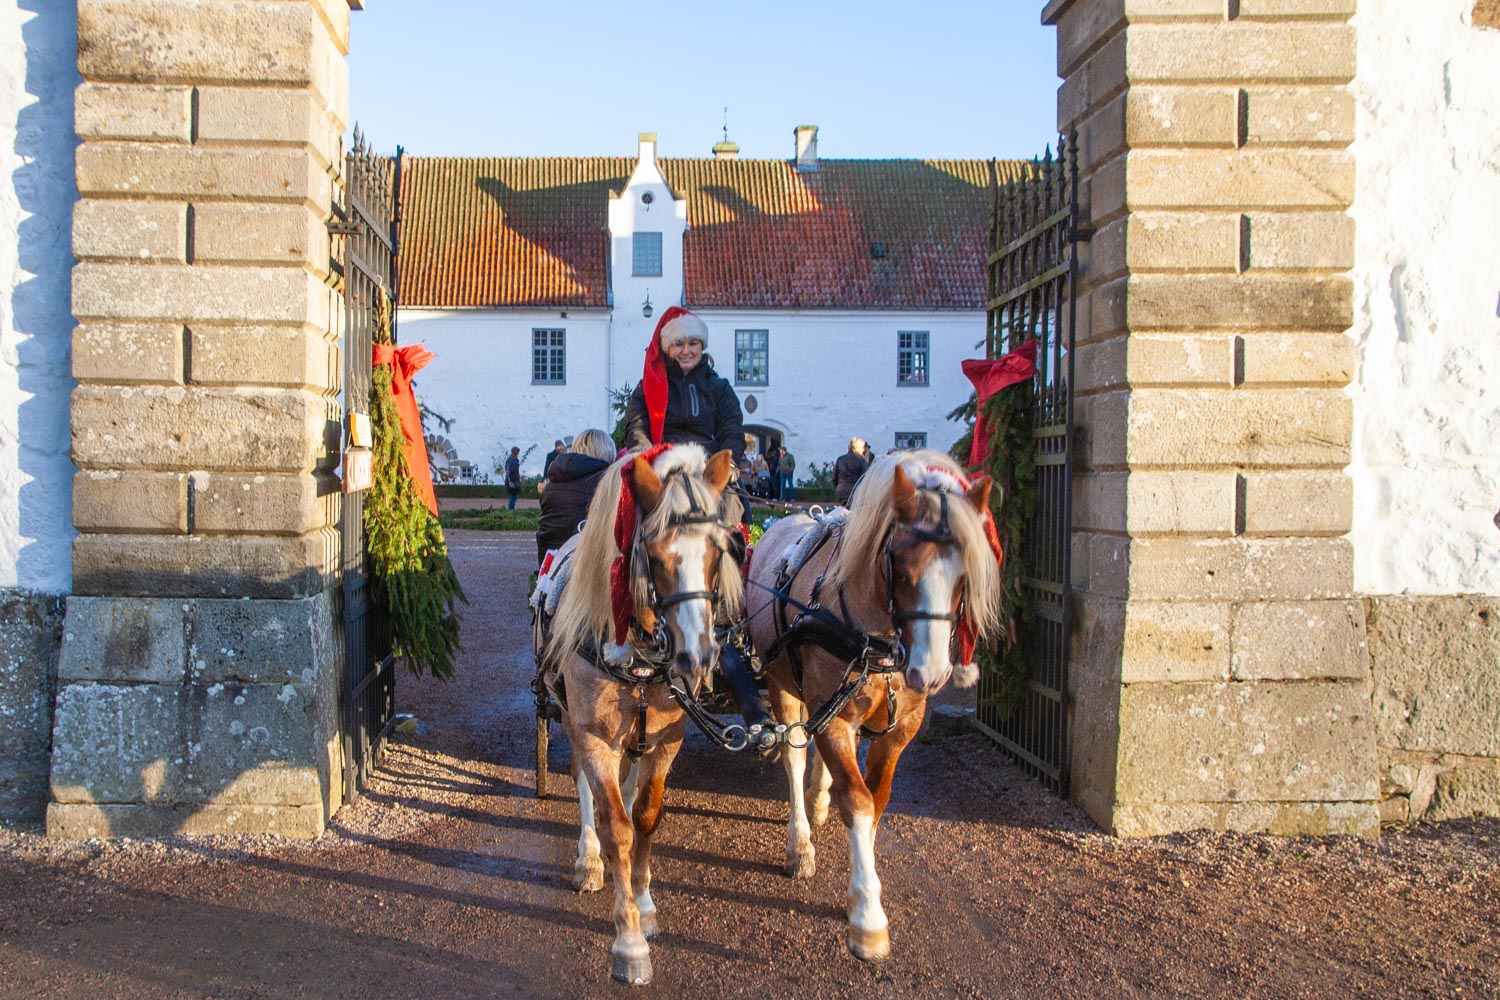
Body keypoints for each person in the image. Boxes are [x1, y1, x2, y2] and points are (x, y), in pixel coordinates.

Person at [623, 307, 771, 746]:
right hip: (666, 476)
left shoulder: (719, 389)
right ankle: (635, 602)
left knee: (729, 532)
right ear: (668, 348)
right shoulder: (650, 387)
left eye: (693, 344)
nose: (686, 351)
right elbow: (635, 431)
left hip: (707, 478)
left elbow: (732, 432)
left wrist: (719, 468)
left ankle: (724, 610)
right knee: (637, 527)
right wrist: (656, 462)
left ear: (701, 348)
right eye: (679, 345)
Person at [535, 428, 614, 565]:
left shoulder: (551, 485)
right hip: (588, 569)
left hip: (551, 569)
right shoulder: (606, 483)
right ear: (607, 451)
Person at [833, 436, 869, 507]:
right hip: (855, 493)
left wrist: (839, 487)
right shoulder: (861, 461)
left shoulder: (840, 459)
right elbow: (865, 480)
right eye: (863, 447)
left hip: (841, 492)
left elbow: (834, 478)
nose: (864, 450)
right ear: (857, 448)